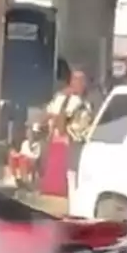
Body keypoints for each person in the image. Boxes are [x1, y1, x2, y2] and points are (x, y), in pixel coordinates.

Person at [41, 68, 93, 198]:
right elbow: (51, 113)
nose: (78, 83)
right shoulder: (62, 97)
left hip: (76, 139)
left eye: (81, 80)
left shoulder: (87, 102)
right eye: (75, 79)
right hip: (59, 137)